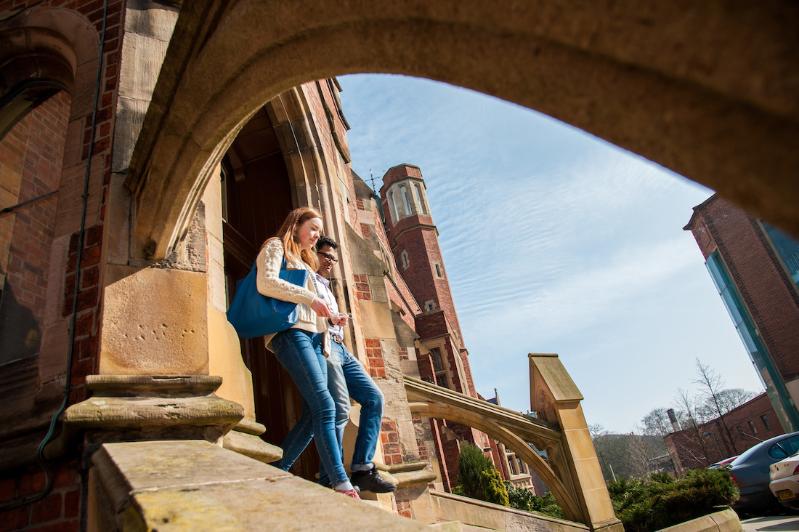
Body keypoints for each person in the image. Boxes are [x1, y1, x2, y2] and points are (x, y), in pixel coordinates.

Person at [274, 236, 395, 494]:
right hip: (322, 345)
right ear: (313, 253)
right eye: (327, 255)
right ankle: (330, 476)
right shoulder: (303, 275)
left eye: (334, 258)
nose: (331, 262)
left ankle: (361, 467)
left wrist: (337, 319)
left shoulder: (328, 287)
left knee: (374, 398)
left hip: (341, 348)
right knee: (336, 410)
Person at [256, 207, 358, 499]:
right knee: (326, 407)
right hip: (291, 334)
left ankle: (278, 468)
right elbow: (266, 283)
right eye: (312, 228)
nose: (316, 236)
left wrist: (331, 318)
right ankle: (340, 482)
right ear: (296, 225)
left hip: (315, 338)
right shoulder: (275, 246)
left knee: (315, 414)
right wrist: (311, 298)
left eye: (318, 230)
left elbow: (310, 305)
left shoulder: (304, 261)